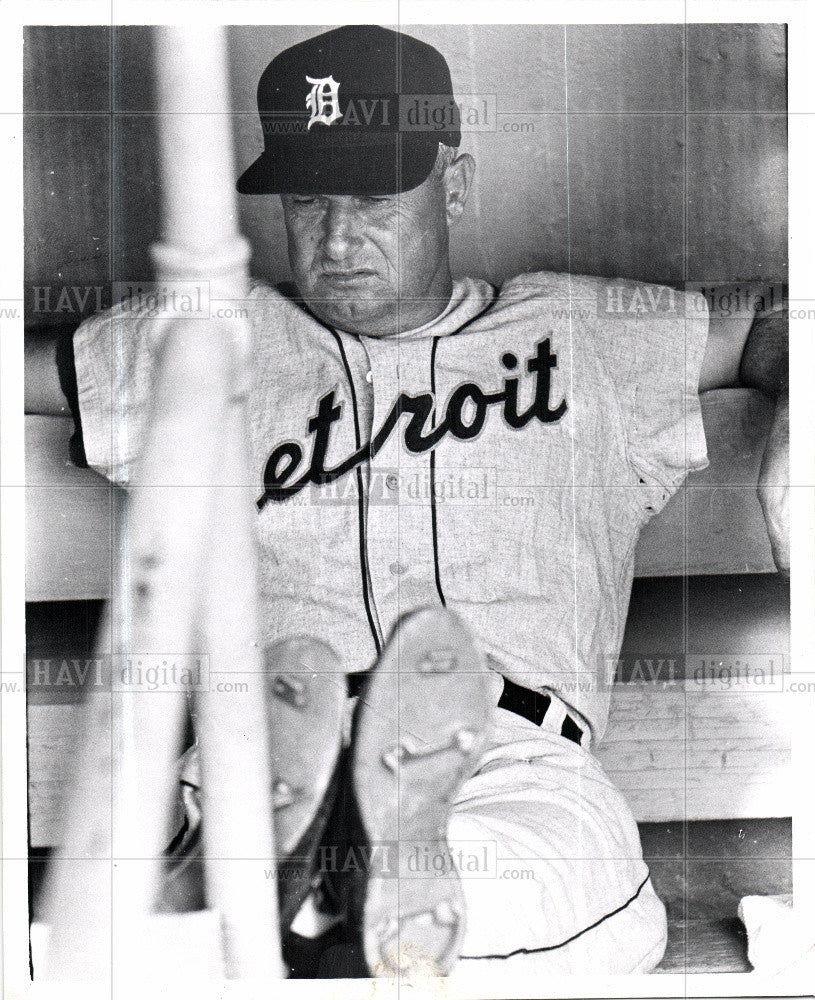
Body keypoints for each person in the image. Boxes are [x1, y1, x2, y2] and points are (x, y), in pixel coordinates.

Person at [27, 24, 789, 981]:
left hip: (505, 759)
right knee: (472, 929)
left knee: (505, 884)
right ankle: (322, 874)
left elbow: (776, 320)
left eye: (376, 198)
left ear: (455, 186)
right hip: (264, 741)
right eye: (308, 200)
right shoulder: (209, 340)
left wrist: (793, 427)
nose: (338, 239)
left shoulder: (582, 332)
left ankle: (317, 890)